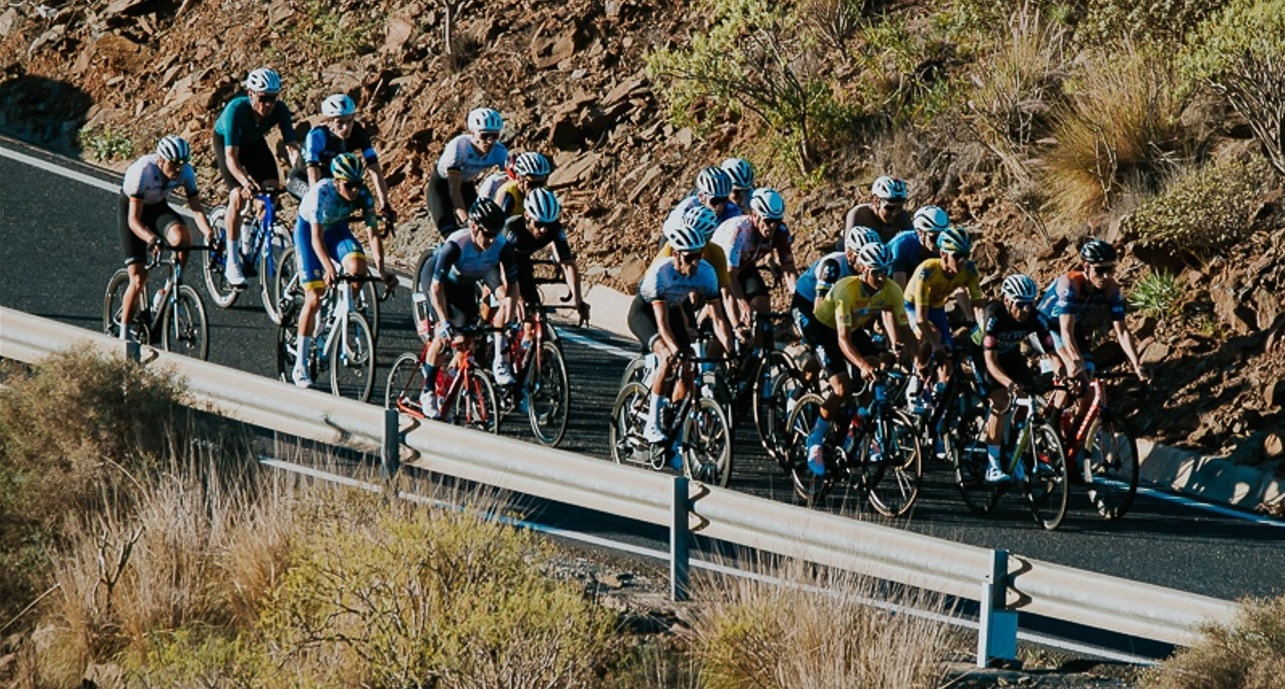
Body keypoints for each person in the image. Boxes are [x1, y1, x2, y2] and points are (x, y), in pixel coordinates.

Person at [799, 243, 916, 476]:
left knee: (879, 366)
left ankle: (856, 425)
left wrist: (920, 362)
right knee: (841, 388)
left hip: (852, 329)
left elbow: (906, 332)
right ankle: (815, 441)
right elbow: (842, 340)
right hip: (824, 329)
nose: (882, 277)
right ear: (863, 269)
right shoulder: (847, 289)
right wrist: (860, 364)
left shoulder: (891, 290)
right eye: (876, 271)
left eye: (886, 270)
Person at [628, 206, 735, 449]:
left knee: (689, 370)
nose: (695, 263)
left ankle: (673, 434)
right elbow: (663, 326)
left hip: (675, 307)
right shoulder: (659, 273)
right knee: (667, 357)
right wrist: (674, 349)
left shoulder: (706, 273)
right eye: (689, 258)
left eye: (698, 256)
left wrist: (730, 349)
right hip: (645, 313)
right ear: (676, 254)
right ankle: (651, 423)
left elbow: (718, 319)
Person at [290, 153, 397, 387]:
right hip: (309, 232)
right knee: (313, 297)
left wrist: (381, 270)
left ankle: (341, 312)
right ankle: (300, 365)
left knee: (358, 266)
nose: (355, 190)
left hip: (336, 229)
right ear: (337, 182)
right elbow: (316, 239)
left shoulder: (363, 195)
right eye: (350, 186)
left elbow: (372, 234)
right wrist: (328, 268)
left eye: (359, 184)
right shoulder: (321, 194)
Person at [419, 197, 519, 417]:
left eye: (496, 234)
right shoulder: (455, 245)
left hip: (466, 284)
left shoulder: (502, 246)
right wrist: (444, 321)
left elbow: (512, 287)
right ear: (473, 227)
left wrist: (509, 319)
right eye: (487, 234)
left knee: (468, 339)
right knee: (444, 338)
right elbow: (436, 289)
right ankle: (427, 391)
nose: (492, 240)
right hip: (439, 284)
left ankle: (455, 375)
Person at [1038, 238, 1150, 430]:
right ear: (1086, 266)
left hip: (1072, 329)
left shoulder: (1111, 287)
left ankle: (1074, 439)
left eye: (1110, 269)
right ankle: (1050, 428)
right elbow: (1065, 331)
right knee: (1071, 374)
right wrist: (1075, 361)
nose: (1106, 276)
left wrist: (1137, 364)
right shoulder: (1070, 283)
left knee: (1088, 394)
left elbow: (1121, 330)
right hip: (1046, 328)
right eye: (1100, 270)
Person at [115, 135, 215, 341]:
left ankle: (168, 288)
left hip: (158, 208)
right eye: (173, 164)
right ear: (160, 161)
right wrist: (152, 239)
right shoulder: (142, 172)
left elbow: (196, 209)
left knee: (183, 238)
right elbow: (134, 221)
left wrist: (209, 233)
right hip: (132, 210)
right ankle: (123, 337)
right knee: (138, 278)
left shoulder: (186, 172)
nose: (178, 170)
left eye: (182, 164)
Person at [212, 67, 300, 287]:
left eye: (273, 98)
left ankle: (248, 232)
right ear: (251, 94)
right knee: (238, 197)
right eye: (263, 98)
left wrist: (300, 172)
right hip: (228, 144)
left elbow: (292, 149)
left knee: (271, 191)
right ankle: (232, 260)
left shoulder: (279, 109)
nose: (269, 104)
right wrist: (244, 182)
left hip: (253, 143)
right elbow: (232, 158)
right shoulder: (236, 110)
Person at [975, 274, 1058, 483]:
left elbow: (1053, 353)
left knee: (1027, 398)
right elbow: (991, 362)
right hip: (982, 354)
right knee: (1001, 401)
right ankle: (993, 465)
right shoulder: (994, 315)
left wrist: (1063, 374)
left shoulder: (1035, 318)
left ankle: (1013, 448)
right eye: (1020, 304)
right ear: (1007, 300)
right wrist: (1010, 384)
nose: (1025, 310)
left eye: (1030, 304)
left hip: (1010, 353)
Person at [904, 226, 986, 411]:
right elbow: (920, 318)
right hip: (913, 306)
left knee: (947, 358)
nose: (963, 261)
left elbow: (979, 305)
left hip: (937, 306)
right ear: (943, 254)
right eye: (958, 256)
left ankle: (939, 399)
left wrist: (983, 329)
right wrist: (934, 343)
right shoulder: (928, 270)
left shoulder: (969, 270)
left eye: (966, 254)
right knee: (932, 335)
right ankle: (914, 383)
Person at [711, 187, 799, 351]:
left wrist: (799, 298)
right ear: (754, 216)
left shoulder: (780, 231)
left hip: (744, 267)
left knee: (762, 304)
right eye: (767, 221)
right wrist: (741, 302)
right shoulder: (738, 230)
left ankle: (757, 356)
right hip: (719, 271)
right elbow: (730, 275)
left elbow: (788, 269)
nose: (772, 227)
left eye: (777, 221)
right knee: (729, 318)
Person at [285, 93, 395, 223]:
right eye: (340, 123)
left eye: (349, 121)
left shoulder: (358, 131)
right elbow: (313, 172)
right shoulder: (317, 136)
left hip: (330, 179)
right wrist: (317, 203)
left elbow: (374, 168)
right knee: (322, 209)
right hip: (300, 178)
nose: (346, 128)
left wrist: (385, 205)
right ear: (328, 122)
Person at [503, 187, 589, 332]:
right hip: (496, 263)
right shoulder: (512, 229)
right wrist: (516, 298)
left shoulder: (554, 228)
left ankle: (530, 349)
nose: (543, 230)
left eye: (548, 225)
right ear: (526, 216)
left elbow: (568, 264)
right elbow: (502, 268)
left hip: (521, 260)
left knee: (534, 315)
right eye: (539, 224)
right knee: (504, 306)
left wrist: (578, 300)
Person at [425, 107, 508, 239]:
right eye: (485, 135)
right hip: (442, 186)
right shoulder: (459, 149)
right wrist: (465, 220)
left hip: (466, 186)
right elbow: (454, 190)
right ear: (473, 133)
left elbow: (510, 182)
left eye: (495, 136)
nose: (490, 141)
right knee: (450, 233)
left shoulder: (499, 152)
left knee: (484, 227)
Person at [659, 165, 742, 245]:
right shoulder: (686, 209)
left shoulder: (733, 211)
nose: (720, 206)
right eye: (715, 201)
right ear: (701, 197)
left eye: (724, 200)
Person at [888, 205, 949, 288]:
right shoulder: (902, 244)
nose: (939, 243)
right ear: (920, 233)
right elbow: (900, 289)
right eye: (934, 238)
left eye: (943, 238)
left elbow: (954, 281)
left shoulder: (944, 246)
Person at [843, 175, 914, 245]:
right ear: (876, 201)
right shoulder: (859, 214)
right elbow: (849, 249)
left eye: (899, 207)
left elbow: (915, 242)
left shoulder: (901, 215)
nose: (894, 213)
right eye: (889, 208)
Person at [494, 151, 551, 218]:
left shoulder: (542, 193)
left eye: (541, 183)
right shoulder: (507, 196)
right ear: (519, 178)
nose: (537, 188)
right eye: (532, 184)